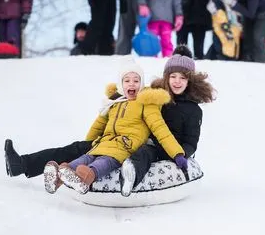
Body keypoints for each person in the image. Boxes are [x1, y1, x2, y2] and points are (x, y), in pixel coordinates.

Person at [43, 61, 185, 194]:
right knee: (86, 158)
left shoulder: (146, 104)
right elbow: (97, 126)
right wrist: (88, 144)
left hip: (126, 146)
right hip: (104, 143)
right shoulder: (113, 103)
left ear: (141, 84)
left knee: (104, 161)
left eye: (136, 81)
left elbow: (160, 129)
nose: (132, 84)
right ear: (121, 84)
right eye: (127, 80)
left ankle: (86, 178)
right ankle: (60, 176)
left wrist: (177, 153)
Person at [118, 46, 215, 196]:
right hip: (146, 140)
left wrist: (181, 155)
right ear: (166, 77)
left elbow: (191, 142)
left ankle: (131, 174)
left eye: (183, 78)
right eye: (173, 76)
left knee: (145, 153)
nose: (177, 81)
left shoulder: (193, 110)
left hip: (169, 151)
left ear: (190, 81)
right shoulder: (157, 98)